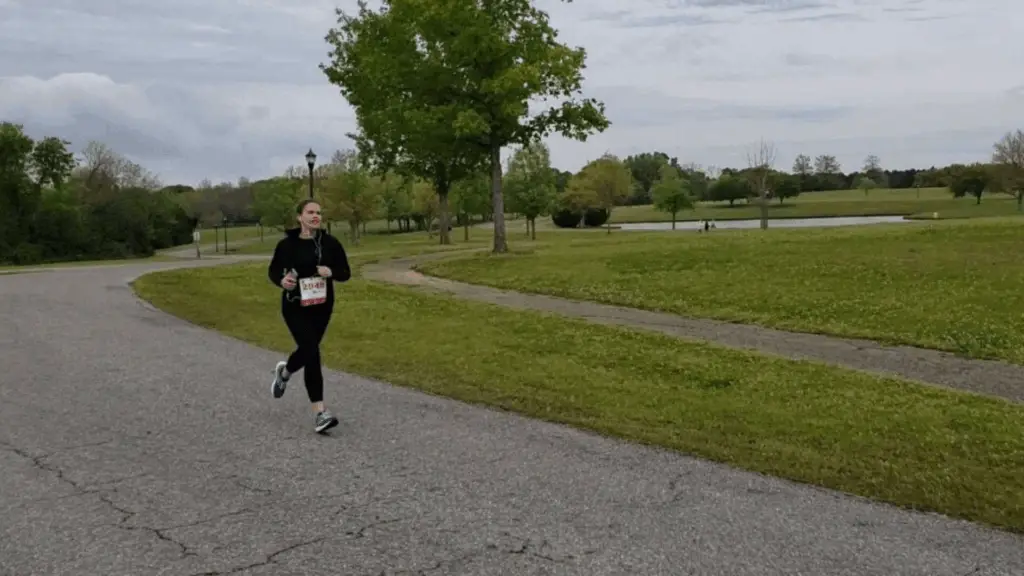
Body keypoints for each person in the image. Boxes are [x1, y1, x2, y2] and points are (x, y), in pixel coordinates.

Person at [267, 199, 351, 433]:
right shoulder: (287, 245)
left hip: (321, 307)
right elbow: (274, 271)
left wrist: (331, 271)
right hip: (294, 305)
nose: (316, 216)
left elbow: (346, 273)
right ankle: (320, 413)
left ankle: (285, 372)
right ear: (299, 217)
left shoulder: (330, 244)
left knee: (309, 349)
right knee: (312, 351)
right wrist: (282, 281)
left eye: (319, 213)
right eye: (310, 212)